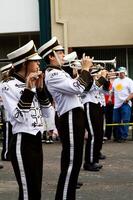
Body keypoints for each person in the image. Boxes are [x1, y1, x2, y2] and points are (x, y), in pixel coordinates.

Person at [38, 36, 93, 200]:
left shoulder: (60, 72)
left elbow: (82, 90)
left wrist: (84, 73)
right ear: (51, 56)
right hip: (69, 117)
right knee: (71, 162)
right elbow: (77, 88)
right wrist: (85, 69)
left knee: (75, 161)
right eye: (60, 53)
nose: (63, 56)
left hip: (74, 115)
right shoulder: (53, 74)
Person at [0, 40, 53, 200]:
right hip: (22, 142)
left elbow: (47, 113)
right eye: (35, 60)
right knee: (28, 191)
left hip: (36, 139)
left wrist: (41, 89)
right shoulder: (7, 85)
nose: (38, 63)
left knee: (36, 190)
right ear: (24, 63)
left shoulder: (32, 83)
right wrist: (29, 90)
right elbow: (18, 116)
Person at [81, 68, 109, 171]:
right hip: (89, 105)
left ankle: (95, 158)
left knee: (99, 134)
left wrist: (106, 81)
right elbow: (86, 90)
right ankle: (89, 162)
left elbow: (105, 92)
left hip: (98, 105)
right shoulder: (85, 80)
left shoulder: (96, 81)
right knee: (93, 135)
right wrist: (100, 79)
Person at [109, 66, 133, 142]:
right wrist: (110, 98)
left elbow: (132, 93)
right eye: (119, 73)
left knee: (125, 120)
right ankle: (118, 137)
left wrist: (127, 99)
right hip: (116, 104)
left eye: (122, 73)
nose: (120, 74)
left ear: (125, 73)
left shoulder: (129, 81)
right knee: (116, 121)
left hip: (125, 104)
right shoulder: (116, 81)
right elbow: (112, 91)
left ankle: (123, 137)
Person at [0, 64, 13, 161]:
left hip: (10, 113)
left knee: (10, 135)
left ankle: (9, 153)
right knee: (8, 135)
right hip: (6, 113)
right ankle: (6, 154)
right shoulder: (3, 84)